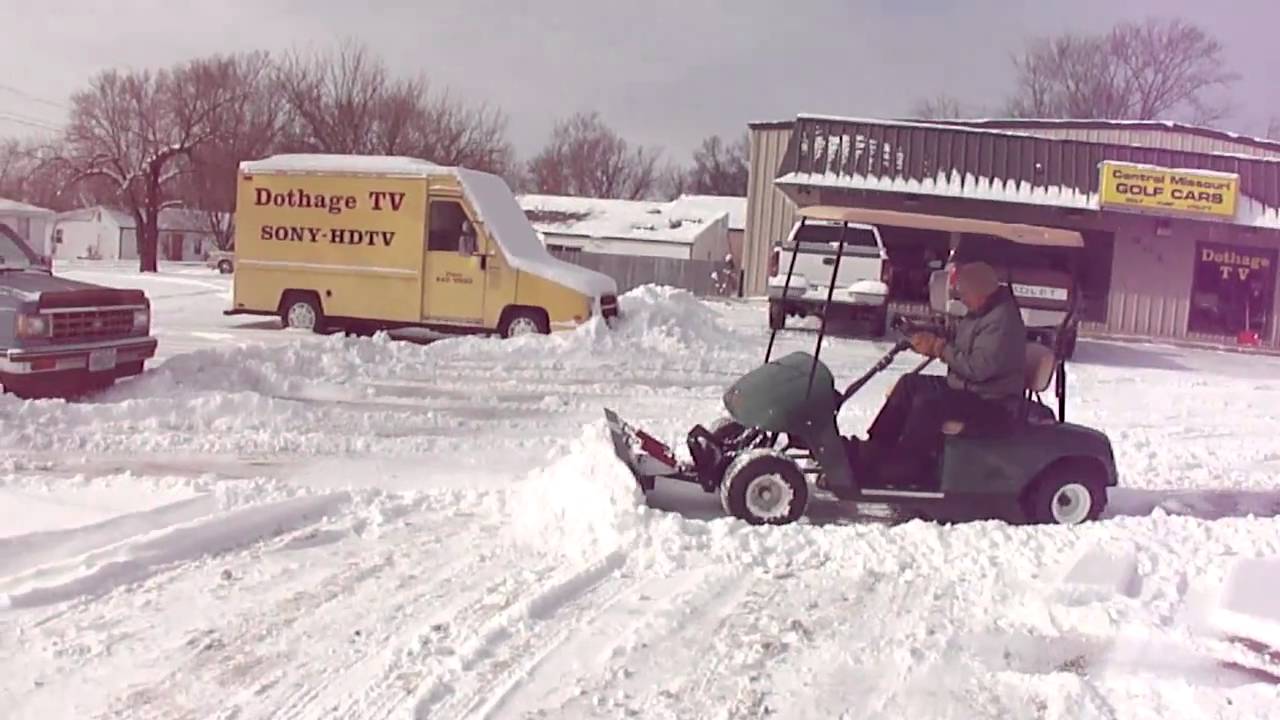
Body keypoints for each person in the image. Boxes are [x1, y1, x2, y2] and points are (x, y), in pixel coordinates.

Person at [855, 261, 1028, 483]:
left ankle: (907, 466)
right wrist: (925, 330)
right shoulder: (982, 311)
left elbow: (978, 369)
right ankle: (877, 446)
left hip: (993, 402)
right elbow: (961, 334)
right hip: (970, 389)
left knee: (929, 404)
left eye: (965, 293)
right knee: (910, 384)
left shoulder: (1002, 321)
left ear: (981, 292)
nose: (962, 299)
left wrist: (938, 348)